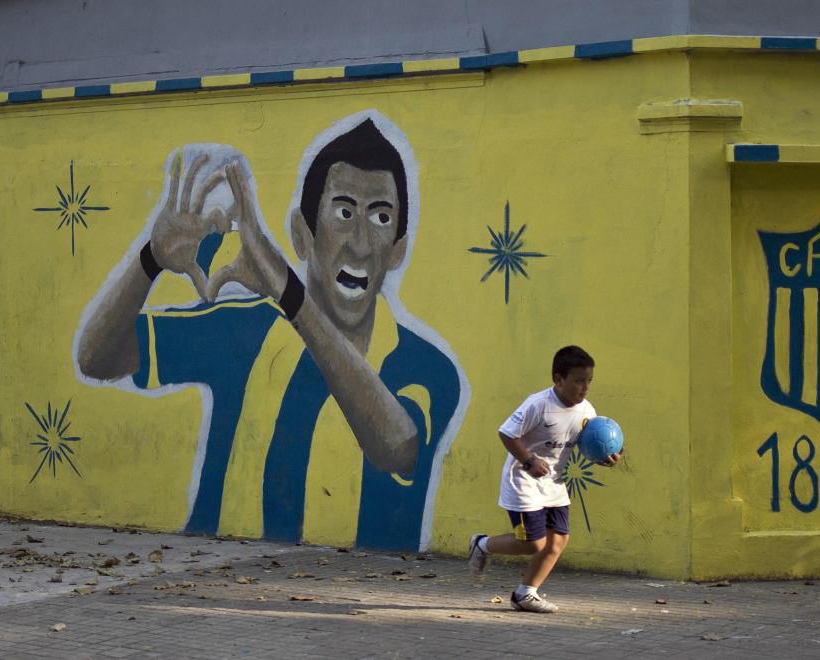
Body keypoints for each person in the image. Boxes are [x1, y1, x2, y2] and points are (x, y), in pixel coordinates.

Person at [74, 112, 465, 550]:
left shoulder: (429, 369)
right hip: (221, 586)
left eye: (379, 218)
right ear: (302, 234)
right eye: (343, 212)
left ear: (398, 250)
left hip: (361, 602)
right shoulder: (245, 332)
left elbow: (397, 447)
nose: (359, 243)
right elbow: (96, 359)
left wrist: (290, 294)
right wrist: (150, 260)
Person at [468, 345, 621, 613]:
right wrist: (529, 460)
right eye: (578, 381)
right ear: (558, 380)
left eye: (589, 381)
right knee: (533, 542)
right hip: (523, 480)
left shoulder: (587, 411)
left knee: (559, 540)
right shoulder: (538, 405)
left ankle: (525, 593)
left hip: (554, 483)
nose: (585, 388)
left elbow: (593, 444)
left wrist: (608, 456)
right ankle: (481, 544)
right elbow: (506, 433)